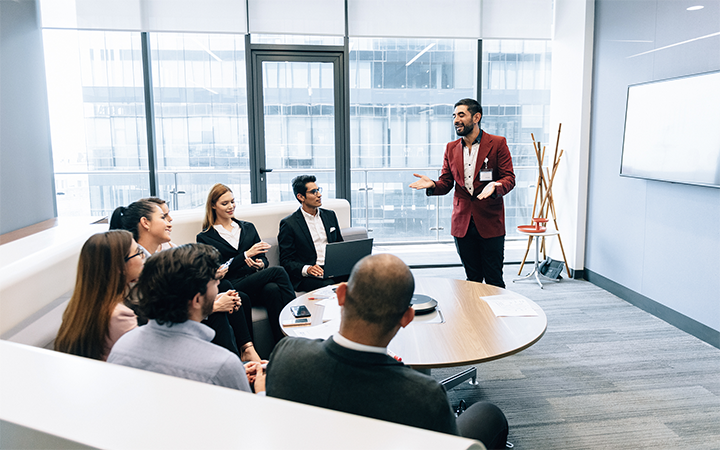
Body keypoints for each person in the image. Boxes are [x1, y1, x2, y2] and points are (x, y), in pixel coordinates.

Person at [265, 254, 509, 449]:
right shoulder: (424, 396)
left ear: (341, 295)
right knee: (489, 414)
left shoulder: (286, 355)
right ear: (407, 317)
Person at [111, 199, 260, 362]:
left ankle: (244, 351)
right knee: (223, 306)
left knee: (229, 293)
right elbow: (161, 310)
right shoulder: (140, 265)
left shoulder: (159, 256)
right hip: (162, 332)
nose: (169, 222)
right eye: (163, 217)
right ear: (145, 223)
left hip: (171, 320)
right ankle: (236, 360)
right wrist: (214, 306)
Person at [108, 244, 265, 393]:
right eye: (214, 282)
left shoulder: (122, 347)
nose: (218, 283)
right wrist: (261, 391)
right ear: (196, 300)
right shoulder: (223, 365)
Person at [410, 98, 515, 288]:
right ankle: (474, 309)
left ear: (476, 117)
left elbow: (509, 178)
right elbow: (446, 183)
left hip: (490, 221)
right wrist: (432, 184)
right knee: (472, 279)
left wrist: (495, 186)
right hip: (462, 224)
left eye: (461, 115)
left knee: (494, 280)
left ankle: (496, 309)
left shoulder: (498, 143)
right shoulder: (451, 148)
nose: (456, 120)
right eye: (454, 116)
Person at [197, 183, 295, 345]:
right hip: (231, 283)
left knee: (273, 289)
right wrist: (245, 255)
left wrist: (260, 265)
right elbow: (217, 271)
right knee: (278, 272)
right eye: (225, 203)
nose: (231, 206)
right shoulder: (205, 237)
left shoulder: (248, 227)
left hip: (253, 282)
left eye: (232, 201)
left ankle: (283, 344)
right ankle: (295, 317)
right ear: (213, 206)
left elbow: (263, 258)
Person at [55, 230, 144, 361]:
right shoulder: (119, 316)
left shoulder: (77, 308)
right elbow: (144, 358)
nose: (143, 257)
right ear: (120, 266)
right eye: (138, 252)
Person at [278, 175, 345, 292]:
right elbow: (286, 261)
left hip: (333, 268)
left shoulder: (330, 215)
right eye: (314, 192)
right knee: (328, 285)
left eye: (318, 190)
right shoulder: (289, 224)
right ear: (301, 197)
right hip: (310, 275)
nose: (319, 195)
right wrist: (308, 269)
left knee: (363, 276)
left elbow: (340, 244)